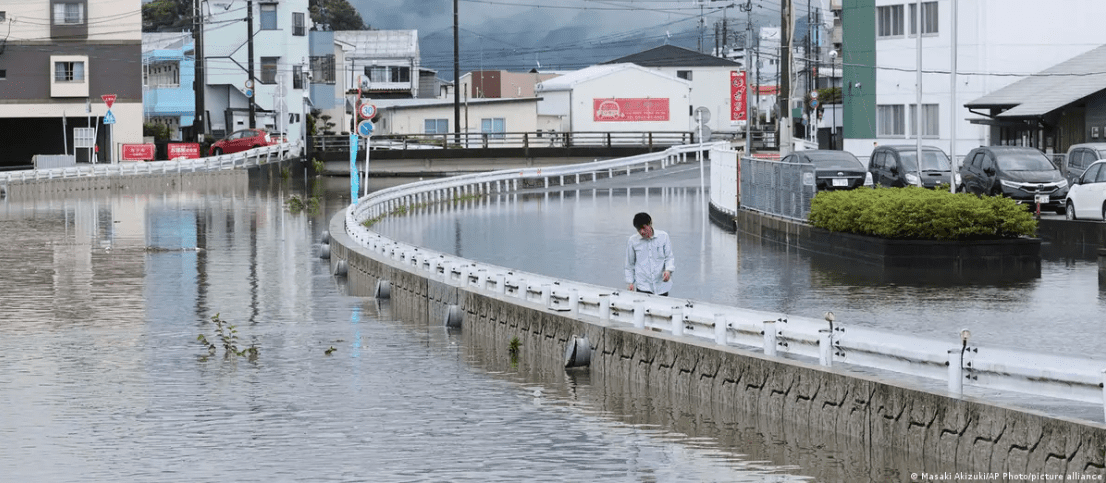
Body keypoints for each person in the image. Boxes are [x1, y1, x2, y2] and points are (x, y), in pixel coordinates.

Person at [624, 212, 675, 296]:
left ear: (650, 224)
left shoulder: (663, 236)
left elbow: (669, 257)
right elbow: (629, 264)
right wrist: (630, 283)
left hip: (661, 285)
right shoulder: (633, 241)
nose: (642, 231)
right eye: (638, 229)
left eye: (644, 228)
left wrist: (668, 270)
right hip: (643, 286)